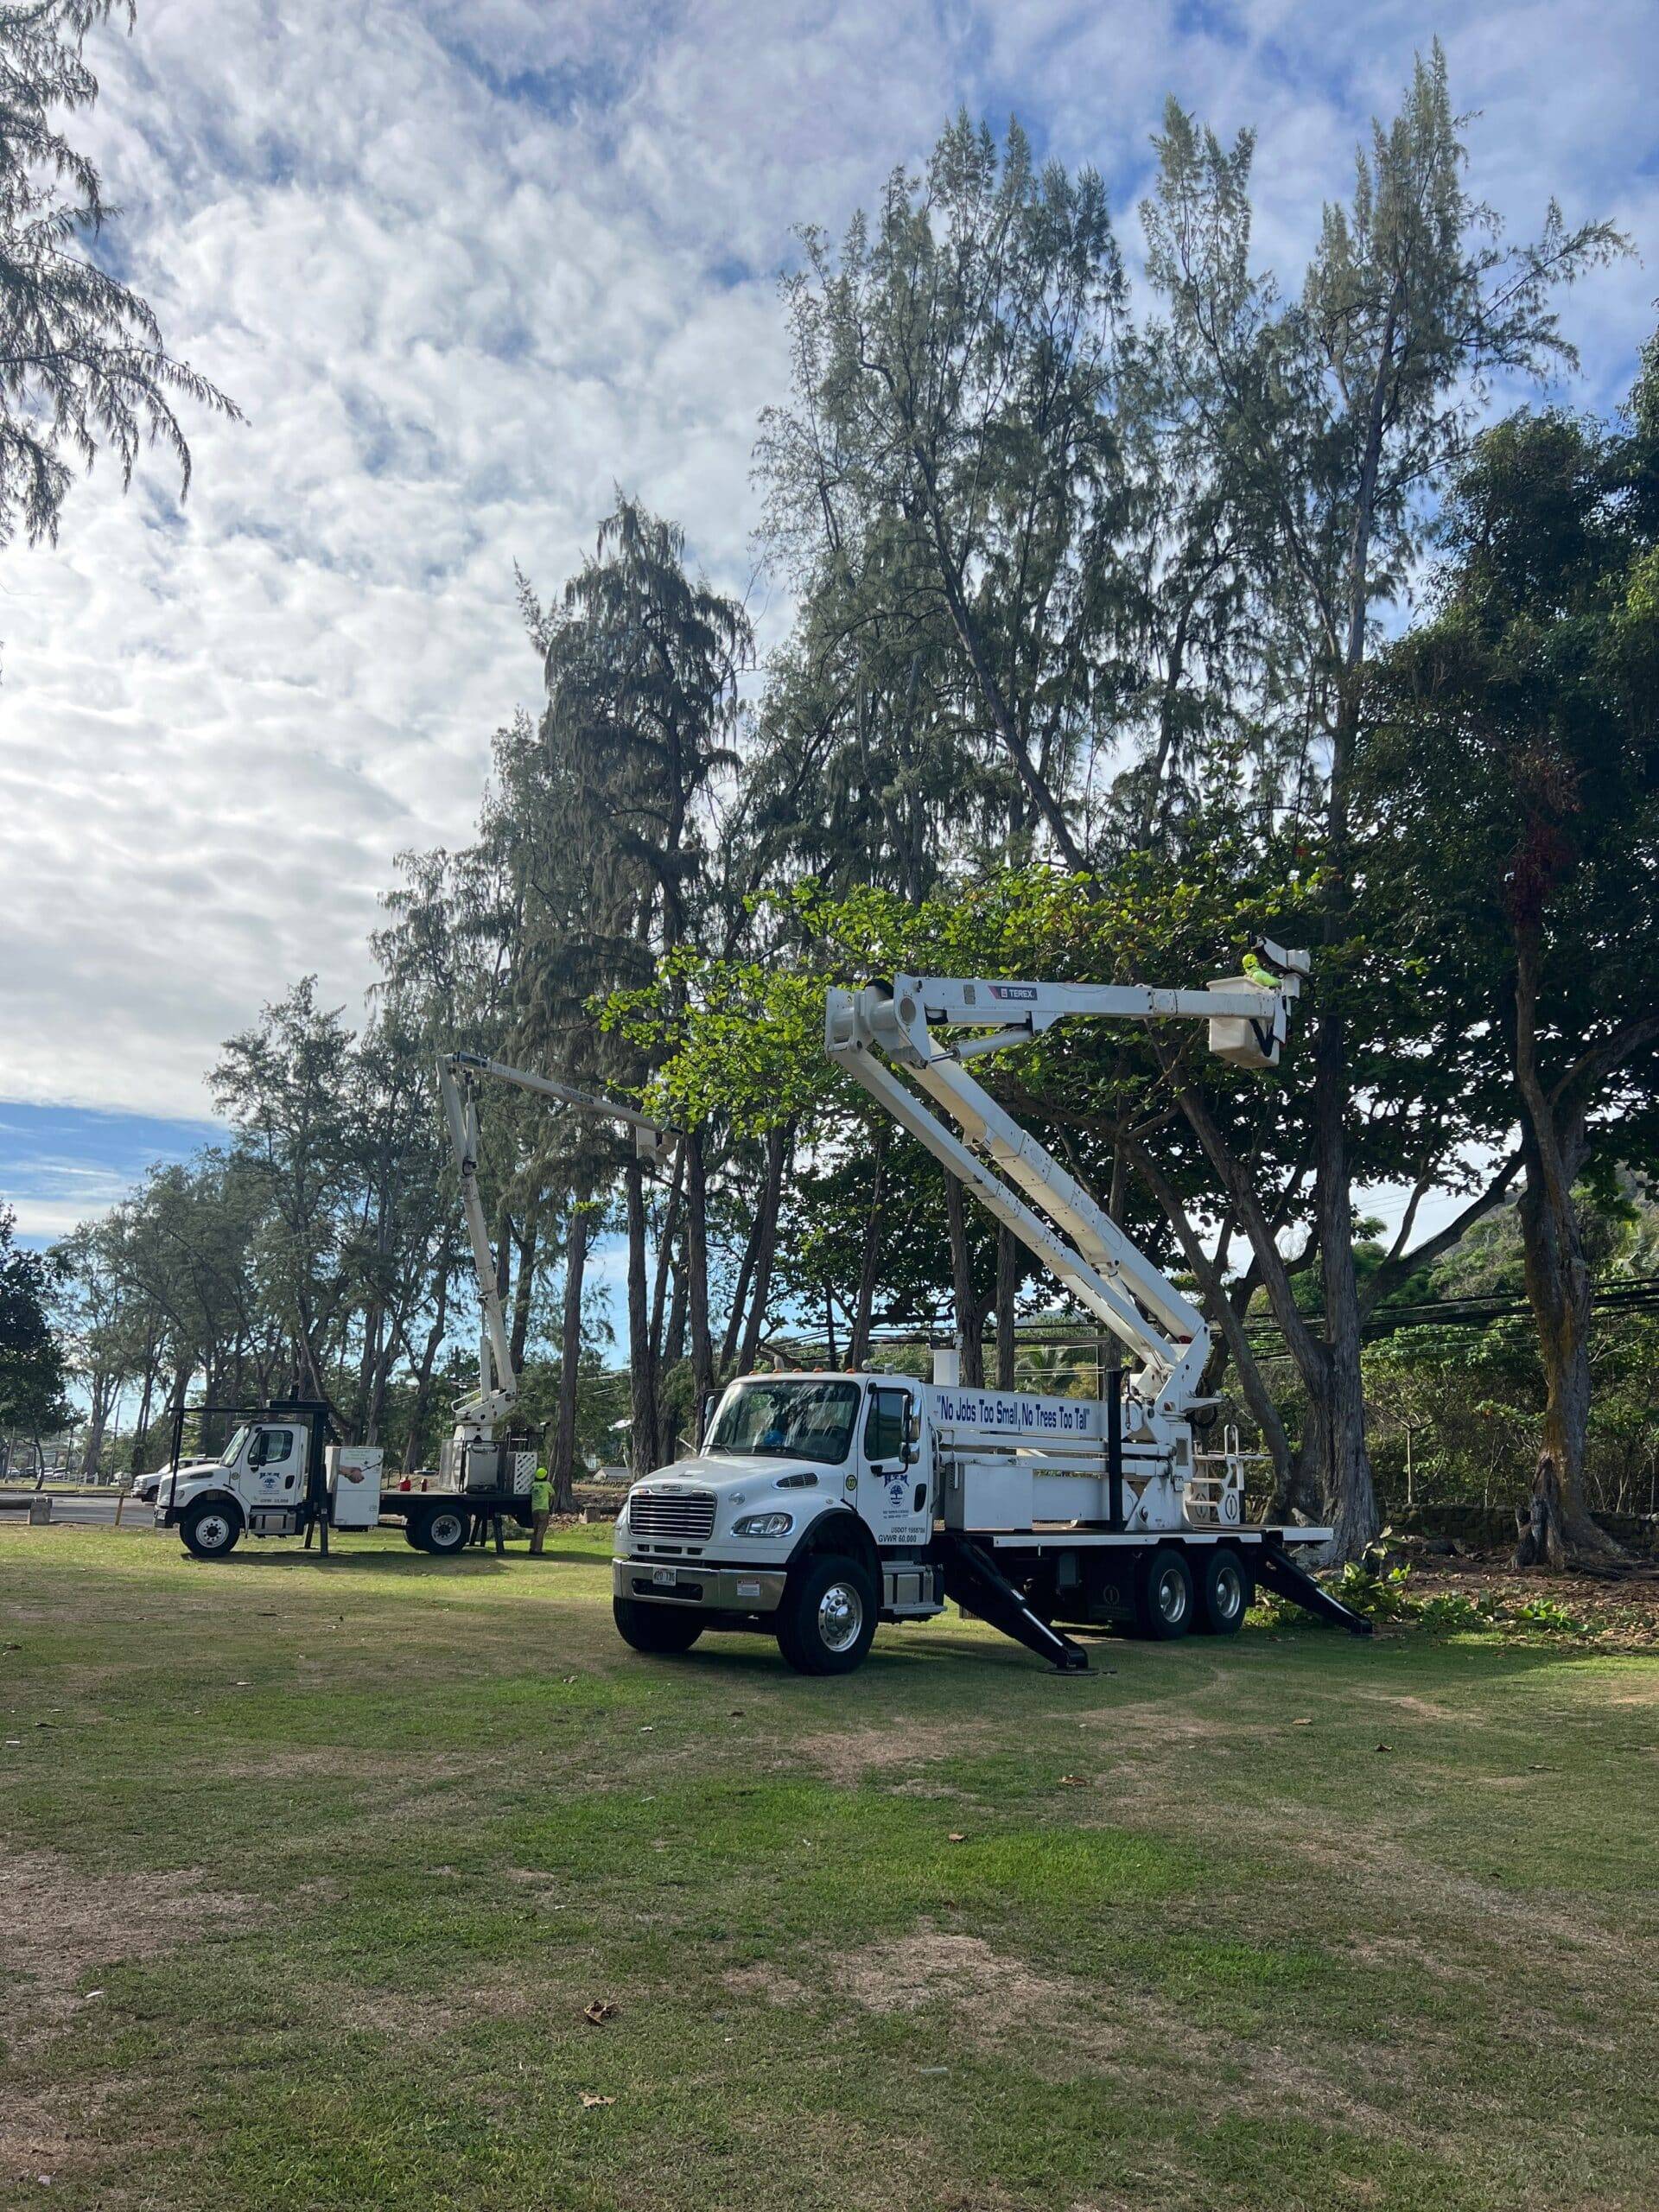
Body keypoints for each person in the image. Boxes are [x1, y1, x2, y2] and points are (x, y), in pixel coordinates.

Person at [529, 1462, 552, 1555]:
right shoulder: (547, 1484)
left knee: (535, 1529)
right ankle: (538, 1550)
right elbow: (553, 1493)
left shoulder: (534, 1485)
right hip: (543, 1509)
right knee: (541, 1530)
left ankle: (532, 1547)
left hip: (534, 1509)